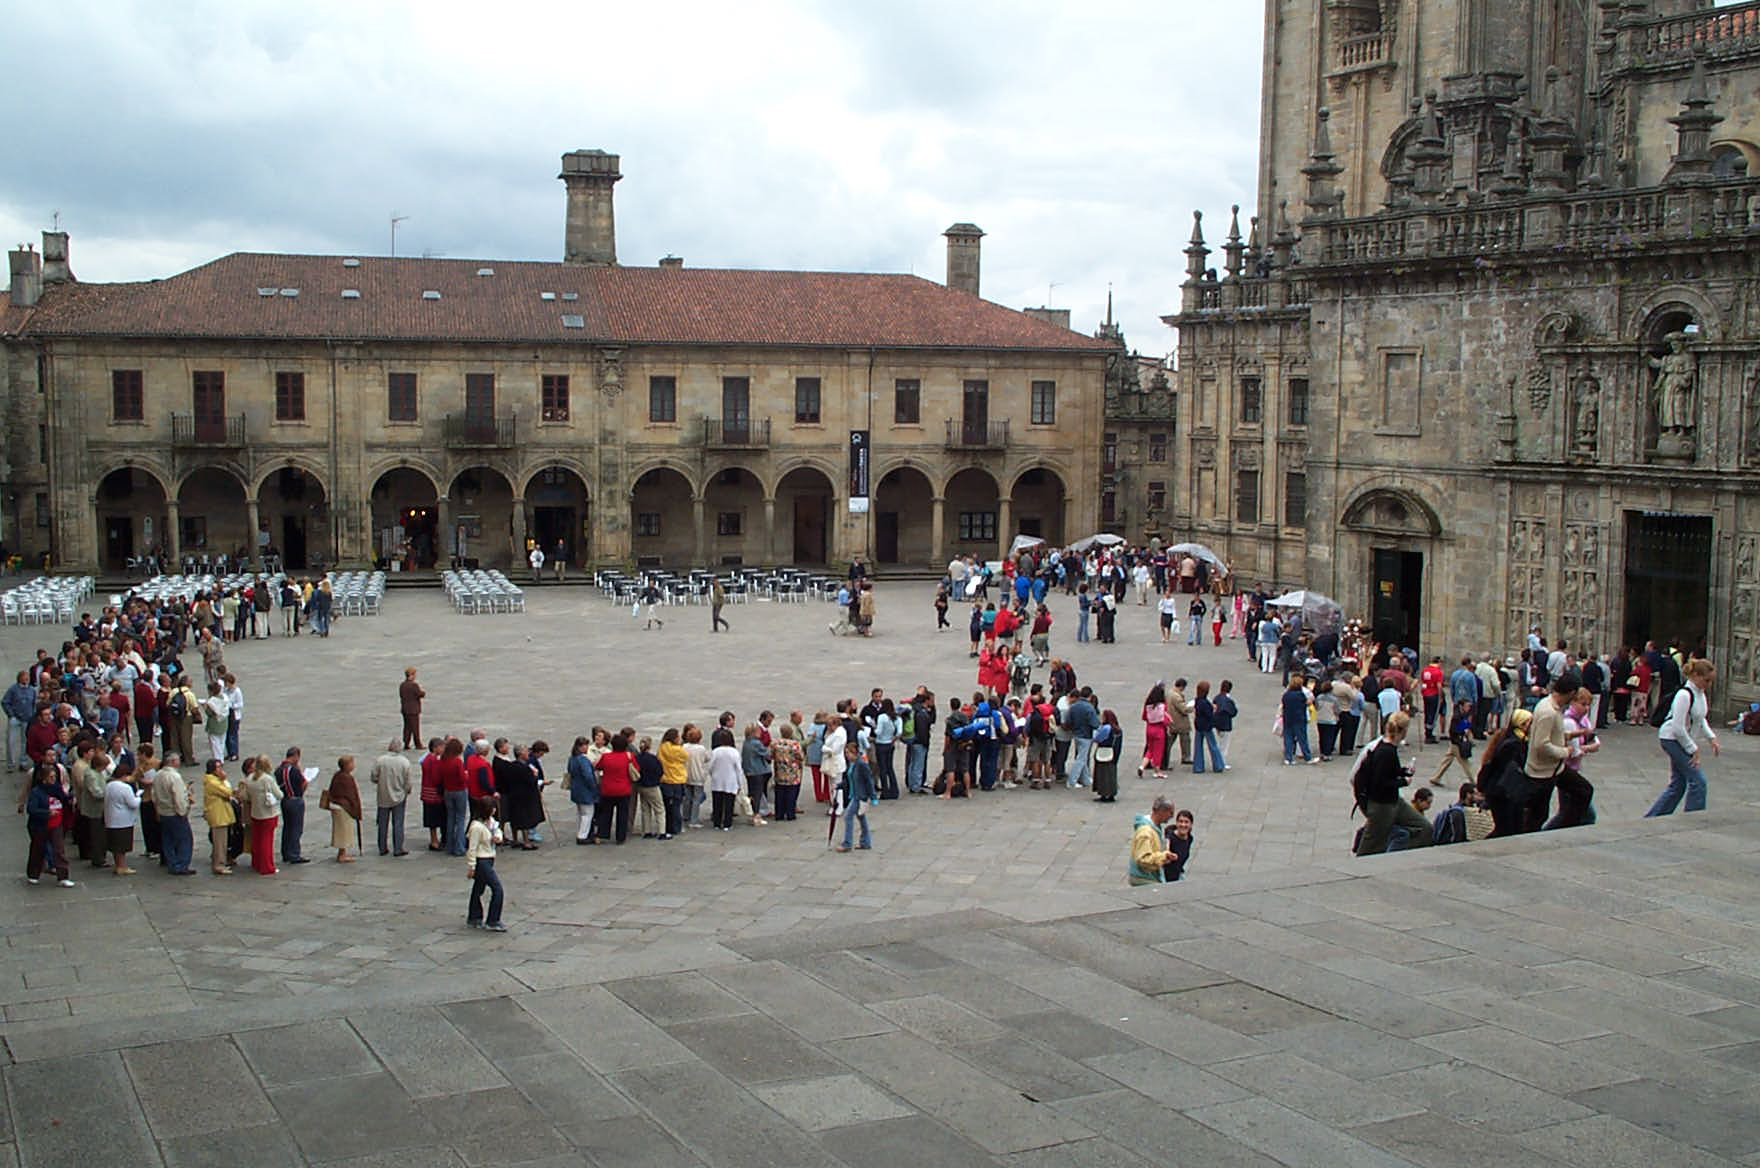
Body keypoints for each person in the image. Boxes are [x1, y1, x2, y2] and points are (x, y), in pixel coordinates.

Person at [1647, 658, 1720, 816]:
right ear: (1695, 675)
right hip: (1671, 738)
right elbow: (1678, 727)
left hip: (1680, 738)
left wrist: (1711, 737)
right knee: (1698, 781)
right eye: (1706, 680)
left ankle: (1654, 817)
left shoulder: (1700, 694)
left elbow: (1700, 718)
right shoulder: (1684, 695)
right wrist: (1693, 749)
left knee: (1678, 784)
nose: (1708, 685)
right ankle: (1693, 818)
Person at [1351, 712, 1432, 855]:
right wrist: (1403, 781)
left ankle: (1396, 854)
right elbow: (1380, 782)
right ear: (1403, 730)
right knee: (1371, 846)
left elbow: (1387, 772)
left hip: (1392, 801)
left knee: (1424, 827)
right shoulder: (1385, 751)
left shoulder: (1386, 747)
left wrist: (1402, 771)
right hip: (1382, 805)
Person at [24, 762, 76, 887]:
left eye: (54, 777)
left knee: (59, 850)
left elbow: (64, 799)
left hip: (56, 824)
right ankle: (33, 874)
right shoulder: (37, 792)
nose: (54, 780)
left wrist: (69, 799)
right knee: (38, 849)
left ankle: (63, 876)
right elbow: (31, 809)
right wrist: (47, 813)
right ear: (44, 778)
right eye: (51, 777)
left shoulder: (57, 789)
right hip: (40, 825)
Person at [464, 798, 507, 932]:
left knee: (478, 889)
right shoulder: (476, 827)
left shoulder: (491, 822)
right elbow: (472, 848)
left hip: (489, 858)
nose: (494, 810)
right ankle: (493, 920)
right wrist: (471, 866)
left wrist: (498, 838)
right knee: (497, 889)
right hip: (481, 860)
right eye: (491, 808)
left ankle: (474, 916)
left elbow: (497, 830)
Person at [152, 752, 196, 876]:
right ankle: (181, 865)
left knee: (168, 839)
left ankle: (171, 862)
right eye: (177, 760)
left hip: (163, 811)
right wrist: (183, 811)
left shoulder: (158, 775)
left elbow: (154, 794)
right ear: (172, 762)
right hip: (174, 812)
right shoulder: (174, 777)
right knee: (184, 839)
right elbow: (178, 797)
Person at [237, 756, 280, 874]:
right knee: (267, 841)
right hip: (268, 813)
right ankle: (267, 866)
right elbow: (279, 794)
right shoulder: (267, 779)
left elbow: (245, 796)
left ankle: (256, 863)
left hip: (255, 813)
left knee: (257, 839)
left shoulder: (249, 778)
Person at [371, 738, 413, 857]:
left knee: (382, 823)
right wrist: (407, 790)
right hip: (399, 796)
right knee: (398, 823)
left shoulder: (380, 760)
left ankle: (382, 847)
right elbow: (407, 782)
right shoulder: (405, 762)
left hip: (383, 796)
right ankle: (398, 848)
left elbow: (374, 777)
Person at [592, 731, 636, 843]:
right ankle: (620, 837)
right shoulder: (629, 756)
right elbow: (636, 769)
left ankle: (603, 834)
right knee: (622, 814)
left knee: (606, 813)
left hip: (607, 789)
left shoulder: (606, 757)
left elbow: (598, 766)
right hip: (624, 789)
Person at [834, 741, 875, 852]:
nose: (847, 755)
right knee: (861, 818)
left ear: (855, 753)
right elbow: (849, 779)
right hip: (854, 794)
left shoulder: (861, 764)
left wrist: (873, 796)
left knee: (848, 816)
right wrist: (840, 785)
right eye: (846, 753)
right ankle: (865, 842)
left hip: (860, 796)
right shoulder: (852, 764)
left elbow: (868, 781)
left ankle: (847, 843)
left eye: (849, 753)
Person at [102, 759, 142, 876]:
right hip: (123, 820)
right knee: (122, 846)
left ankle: (118, 864)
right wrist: (138, 796)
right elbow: (133, 803)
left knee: (115, 845)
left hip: (111, 819)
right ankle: (121, 866)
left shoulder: (109, 785)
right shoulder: (125, 788)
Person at [1128, 795, 1177, 885]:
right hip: (1144, 878)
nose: (1172, 816)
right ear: (1162, 811)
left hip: (1149, 876)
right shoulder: (1145, 832)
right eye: (1170, 813)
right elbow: (1143, 859)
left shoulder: (1155, 828)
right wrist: (1163, 857)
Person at [274, 747, 311, 864]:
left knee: (287, 827)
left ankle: (286, 852)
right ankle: (294, 853)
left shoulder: (279, 770)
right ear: (295, 756)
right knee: (296, 828)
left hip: (285, 800)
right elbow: (303, 784)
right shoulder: (293, 770)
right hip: (295, 800)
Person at [324, 755, 363, 863]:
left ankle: (342, 852)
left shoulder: (337, 775)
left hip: (336, 805)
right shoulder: (346, 778)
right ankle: (342, 854)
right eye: (352, 763)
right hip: (342, 807)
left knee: (341, 830)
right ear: (347, 765)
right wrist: (356, 810)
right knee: (343, 831)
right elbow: (351, 795)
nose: (354, 765)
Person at [202, 760, 237, 875]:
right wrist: (224, 779)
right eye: (218, 768)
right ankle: (219, 865)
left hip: (220, 814)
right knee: (220, 842)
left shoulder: (212, 780)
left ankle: (219, 861)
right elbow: (227, 792)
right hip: (218, 815)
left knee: (221, 841)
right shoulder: (213, 782)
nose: (221, 770)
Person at [707, 726, 743, 831]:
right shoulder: (734, 752)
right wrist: (740, 783)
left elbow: (710, 766)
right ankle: (727, 823)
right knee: (729, 803)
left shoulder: (716, 751)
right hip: (730, 781)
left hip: (717, 780)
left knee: (717, 802)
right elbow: (738, 769)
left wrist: (712, 774)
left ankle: (717, 823)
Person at [632, 736, 665, 839]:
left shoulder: (636, 758)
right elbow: (660, 771)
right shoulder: (653, 759)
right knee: (659, 809)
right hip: (652, 786)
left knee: (645, 808)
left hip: (641, 786)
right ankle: (662, 832)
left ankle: (647, 831)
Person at [1280, 676, 1316, 765]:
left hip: (1287, 718)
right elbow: (1306, 703)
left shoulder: (1286, 695)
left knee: (1288, 738)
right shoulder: (1300, 694)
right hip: (1299, 719)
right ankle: (1308, 757)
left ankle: (1288, 758)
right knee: (1302, 738)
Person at [1192, 681, 1224, 774]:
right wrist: (1214, 710)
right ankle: (1218, 765)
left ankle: (1198, 767)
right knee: (1212, 745)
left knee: (1198, 746)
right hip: (1207, 726)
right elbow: (1210, 715)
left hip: (1198, 725)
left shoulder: (1197, 700)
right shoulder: (1205, 703)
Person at [1091, 710, 1123, 802]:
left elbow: (1097, 738)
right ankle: (1111, 793)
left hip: (1103, 752)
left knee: (1102, 774)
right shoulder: (1118, 730)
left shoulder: (1106, 728)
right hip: (1112, 754)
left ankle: (1104, 794)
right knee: (1111, 774)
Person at [1139, 683, 1168, 779]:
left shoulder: (1148, 704)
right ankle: (1157, 771)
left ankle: (1142, 766)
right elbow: (1164, 720)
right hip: (1159, 730)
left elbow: (1144, 717)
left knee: (1150, 749)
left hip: (1149, 729)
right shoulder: (1162, 706)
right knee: (1158, 751)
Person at [1166, 679, 1193, 767]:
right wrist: (1192, 707)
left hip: (1172, 721)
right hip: (1179, 722)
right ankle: (1186, 757)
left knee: (1169, 741)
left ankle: (1164, 757)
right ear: (1182, 686)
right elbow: (1184, 709)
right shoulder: (1176, 696)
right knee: (1185, 740)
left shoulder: (1169, 693)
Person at [1163, 809, 1195, 881]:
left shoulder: (1189, 838)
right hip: (1166, 878)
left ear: (1191, 825)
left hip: (1178, 875)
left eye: (1186, 822)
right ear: (1177, 823)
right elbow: (1166, 848)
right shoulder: (1170, 838)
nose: (1183, 825)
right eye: (1180, 821)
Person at [399, 668, 425, 750]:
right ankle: (418, 744)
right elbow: (419, 694)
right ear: (411, 675)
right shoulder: (414, 685)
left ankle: (406, 743)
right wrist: (423, 692)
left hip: (405, 709)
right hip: (413, 710)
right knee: (415, 728)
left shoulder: (402, 685)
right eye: (414, 674)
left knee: (407, 727)